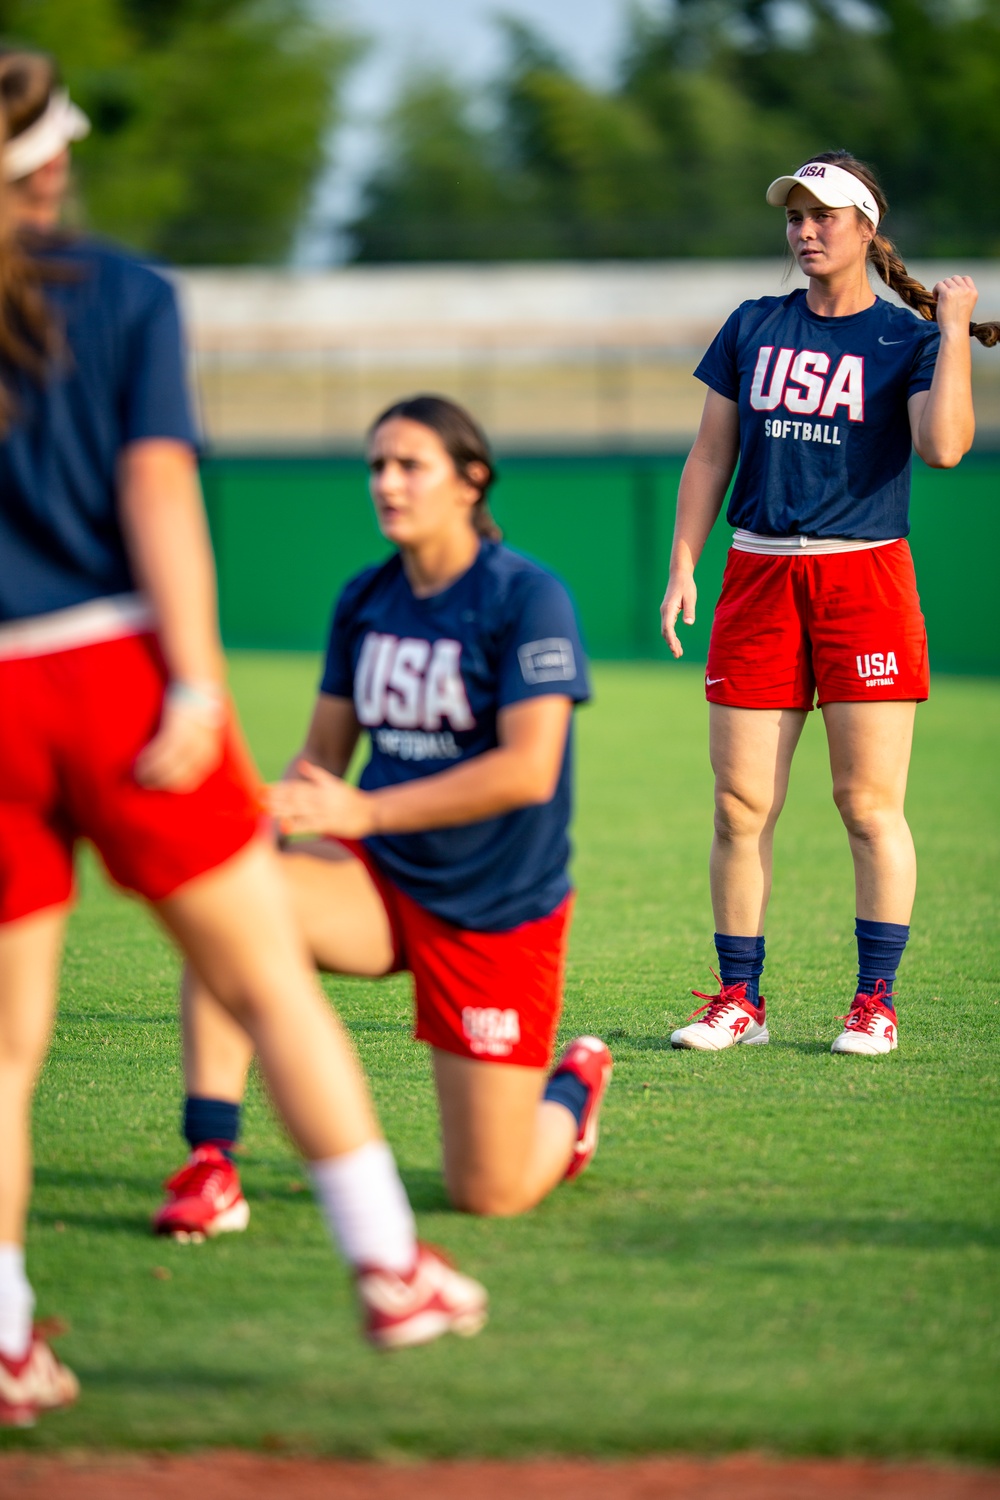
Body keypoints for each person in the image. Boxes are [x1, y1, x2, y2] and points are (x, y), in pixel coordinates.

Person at [0, 53, 487, 1427]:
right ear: (55, 162)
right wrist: (198, 687)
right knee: (269, 983)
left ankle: (6, 1342)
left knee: (3, 1049)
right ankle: (392, 1270)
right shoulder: (132, 295)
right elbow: (155, 488)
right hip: (110, 674)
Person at [154, 394, 613, 1240]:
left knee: (491, 1191)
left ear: (472, 482)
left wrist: (364, 809)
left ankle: (572, 1091)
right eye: (376, 466)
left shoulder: (527, 597)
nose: (387, 483)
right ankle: (211, 1163)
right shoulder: (365, 597)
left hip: (494, 906)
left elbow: (526, 769)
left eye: (410, 465)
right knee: (233, 902)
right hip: (381, 884)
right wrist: (266, 819)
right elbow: (322, 755)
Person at [659, 150, 997, 1057]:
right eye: (796, 216)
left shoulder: (907, 338)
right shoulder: (752, 325)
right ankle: (741, 1001)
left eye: (825, 216)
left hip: (865, 582)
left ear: (866, 228)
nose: (806, 231)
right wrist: (686, 561)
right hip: (759, 575)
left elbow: (946, 448)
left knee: (867, 803)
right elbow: (708, 456)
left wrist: (954, 330)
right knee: (738, 807)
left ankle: (873, 1003)